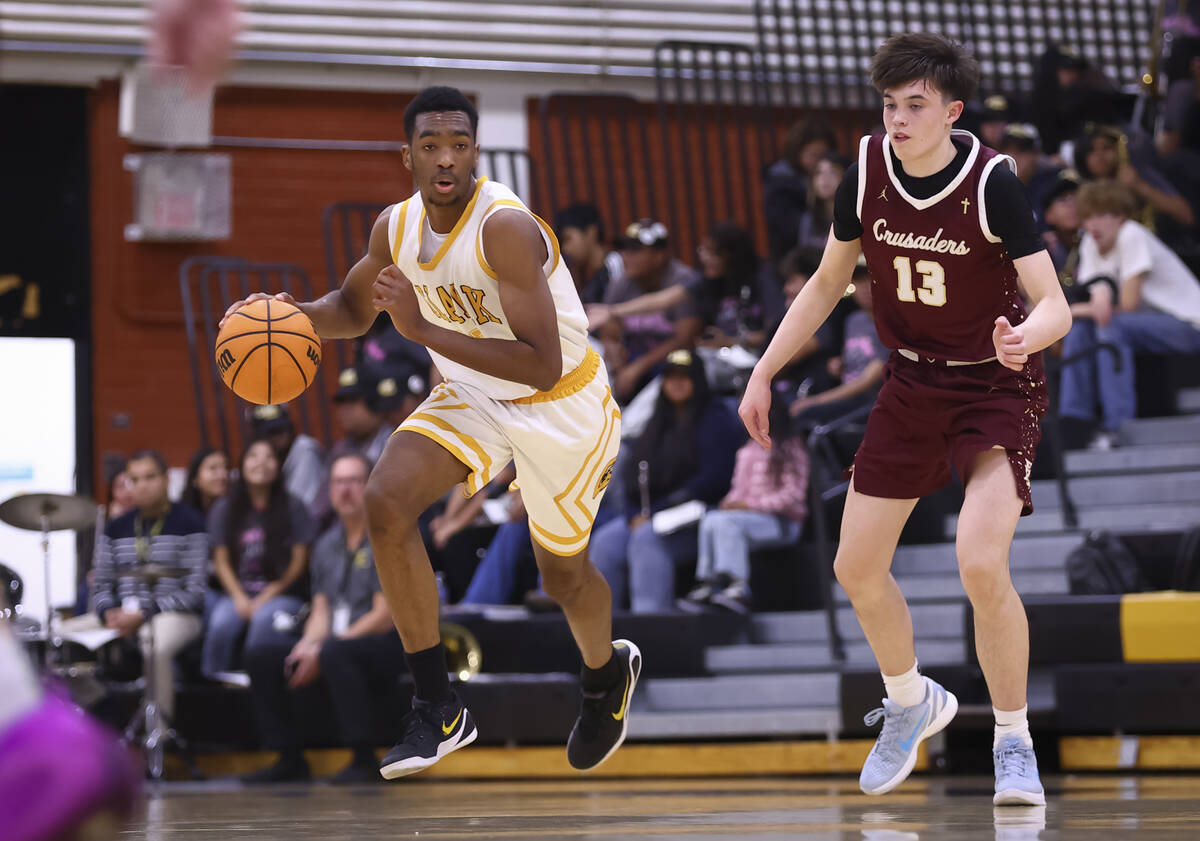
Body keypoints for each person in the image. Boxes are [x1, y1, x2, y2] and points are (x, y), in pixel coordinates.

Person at [221, 86, 640, 778]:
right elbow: (353, 310)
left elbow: (541, 364)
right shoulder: (395, 227)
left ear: (476, 150)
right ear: (407, 155)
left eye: (459, 144)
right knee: (383, 501)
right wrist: (287, 315)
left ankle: (604, 675)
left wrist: (422, 330)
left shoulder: (503, 227)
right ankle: (438, 703)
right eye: (430, 145)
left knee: (562, 576)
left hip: (561, 404)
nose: (446, 159)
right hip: (472, 393)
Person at [738, 33, 1071, 806]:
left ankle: (1012, 740)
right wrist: (764, 368)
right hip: (913, 383)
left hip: (995, 383)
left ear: (952, 112)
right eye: (889, 104)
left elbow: (1053, 301)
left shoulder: (993, 182)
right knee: (853, 566)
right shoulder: (863, 169)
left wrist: (1026, 337)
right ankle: (910, 698)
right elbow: (827, 283)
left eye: (914, 105)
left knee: (980, 563)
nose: (897, 118)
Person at [243, 454, 404, 784]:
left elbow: (383, 615)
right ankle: (288, 757)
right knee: (264, 653)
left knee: (334, 653)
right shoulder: (326, 544)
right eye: (338, 482)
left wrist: (326, 646)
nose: (345, 490)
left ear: (371, 485)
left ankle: (363, 757)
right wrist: (307, 645)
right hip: (337, 642)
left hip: (385, 642)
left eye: (354, 481)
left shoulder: (386, 535)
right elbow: (320, 611)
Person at [589, 349, 742, 613]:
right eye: (671, 377)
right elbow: (632, 478)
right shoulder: (656, 421)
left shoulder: (716, 419)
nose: (677, 383)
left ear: (698, 380)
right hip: (653, 516)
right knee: (606, 540)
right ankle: (602, 630)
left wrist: (656, 513)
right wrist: (633, 514)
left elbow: (715, 479)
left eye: (685, 377)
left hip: (700, 517)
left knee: (647, 537)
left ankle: (651, 623)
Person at [1058, 180, 1200, 448]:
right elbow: (1097, 296)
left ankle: (1117, 425)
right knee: (1079, 330)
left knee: (1112, 326)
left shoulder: (1131, 234)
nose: (1092, 224)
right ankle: (1074, 422)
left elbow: (1128, 304)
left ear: (1120, 217)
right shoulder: (1090, 242)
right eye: (1088, 216)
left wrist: (1076, 308)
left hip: (1188, 325)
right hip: (1143, 326)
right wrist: (1089, 305)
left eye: (1101, 215)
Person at [83, 450, 209, 722]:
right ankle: (96, 717)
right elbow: (101, 583)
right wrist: (108, 613)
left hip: (174, 615)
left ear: (166, 479)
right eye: (134, 479)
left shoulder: (191, 522)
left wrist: (145, 613)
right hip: (120, 615)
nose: (141, 485)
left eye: (150, 477)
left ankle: (158, 738)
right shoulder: (114, 528)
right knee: (55, 640)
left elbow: (195, 592)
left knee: (155, 646)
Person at [685, 389, 809, 613]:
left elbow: (793, 497)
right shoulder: (747, 449)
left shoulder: (790, 447)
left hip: (782, 522)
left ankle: (738, 588)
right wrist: (729, 503)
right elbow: (738, 491)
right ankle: (710, 582)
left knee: (725, 523)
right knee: (713, 518)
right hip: (748, 519)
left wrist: (750, 506)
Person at [202, 438, 315, 680]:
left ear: (279, 465)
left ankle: (261, 686)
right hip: (237, 593)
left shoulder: (294, 506)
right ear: (242, 464)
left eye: (269, 457)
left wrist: (269, 594)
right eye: (253, 456)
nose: (261, 463)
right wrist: (240, 598)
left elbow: (299, 561)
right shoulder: (225, 507)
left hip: (283, 594)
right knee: (221, 623)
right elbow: (220, 560)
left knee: (263, 623)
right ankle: (213, 686)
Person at [600, 219, 703, 402]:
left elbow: (684, 339)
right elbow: (608, 328)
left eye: (634, 250)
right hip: (631, 360)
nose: (625, 256)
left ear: (659, 255)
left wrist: (636, 369)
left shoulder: (682, 280)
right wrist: (614, 354)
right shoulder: (621, 282)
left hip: (671, 365)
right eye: (623, 249)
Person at [789, 265, 887, 428]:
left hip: (872, 400)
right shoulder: (853, 320)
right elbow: (854, 356)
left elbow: (866, 381)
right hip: (846, 393)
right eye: (859, 281)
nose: (865, 288)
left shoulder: (889, 325)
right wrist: (840, 363)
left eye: (870, 280)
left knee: (805, 415)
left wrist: (814, 401)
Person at [695, 221, 785, 351]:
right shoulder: (708, 280)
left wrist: (731, 342)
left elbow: (776, 332)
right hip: (720, 356)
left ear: (730, 255)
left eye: (712, 253)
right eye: (703, 250)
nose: (704, 258)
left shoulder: (764, 277)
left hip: (758, 355)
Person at [764, 117, 840, 262]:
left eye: (822, 155)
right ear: (797, 152)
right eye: (813, 155)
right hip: (793, 260)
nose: (818, 162)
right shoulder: (781, 182)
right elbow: (786, 228)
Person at [250, 403, 326, 517]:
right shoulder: (266, 459)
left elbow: (302, 506)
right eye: (271, 433)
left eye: (281, 429)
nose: (279, 436)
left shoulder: (304, 450)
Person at [555, 203, 624, 304]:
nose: (565, 249)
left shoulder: (617, 265)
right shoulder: (592, 278)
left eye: (568, 238)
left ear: (591, 232)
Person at [329, 366, 392, 464]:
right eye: (341, 402)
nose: (344, 410)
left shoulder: (396, 444)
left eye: (352, 401)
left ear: (374, 404)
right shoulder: (340, 450)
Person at [794, 153, 850, 252]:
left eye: (832, 172)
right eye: (819, 173)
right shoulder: (808, 219)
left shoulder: (857, 217)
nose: (824, 179)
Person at [180, 446, 229, 515]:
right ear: (195, 479)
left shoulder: (235, 511)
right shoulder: (183, 515)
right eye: (213, 468)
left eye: (226, 467)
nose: (223, 475)